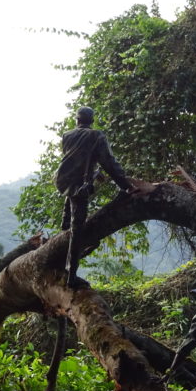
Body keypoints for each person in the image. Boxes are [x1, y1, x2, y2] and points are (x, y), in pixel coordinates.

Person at [54, 106, 135, 288]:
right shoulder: (96, 136)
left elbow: (78, 161)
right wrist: (126, 186)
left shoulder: (67, 135)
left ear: (77, 120)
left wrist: (94, 171)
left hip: (63, 180)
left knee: (71, 209)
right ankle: (71, 275)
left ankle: (64, 222)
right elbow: (110, 163)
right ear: (92, 120)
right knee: (78, 229)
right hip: (79, 186)